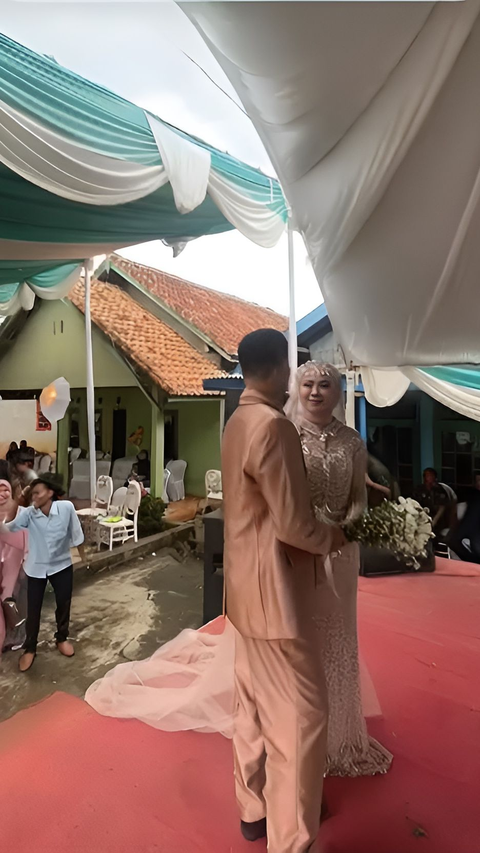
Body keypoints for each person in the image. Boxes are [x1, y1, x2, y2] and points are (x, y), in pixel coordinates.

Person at [284, 362, 392, 779]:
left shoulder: (352, 441)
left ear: (337, 391)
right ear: (297, 388)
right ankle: (299, 734)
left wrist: (348, 528)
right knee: (302, 640)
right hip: (299, 551)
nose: (315, 392)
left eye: (324, 385)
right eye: (307, 384)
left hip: (343, 552)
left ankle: (341, 736)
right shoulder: (287, 435)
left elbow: (359, 495)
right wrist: (310, 534)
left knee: (339, 637)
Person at [0, 474, 85, 672]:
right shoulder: (28, 514)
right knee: (33, 610)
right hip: (35, 567)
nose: (34, 497)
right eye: (32, 495)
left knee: (63, 604)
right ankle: (30, 649)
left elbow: (76, 532)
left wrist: (83, 557)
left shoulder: (66, 509)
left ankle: (61, 638)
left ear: (50, 492)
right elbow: (9, 527)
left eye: (37, 493)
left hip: (62, 565)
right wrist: (19, 500)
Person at [0, 477, 28, 655]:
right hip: (2, 560)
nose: (2, 494)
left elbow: (27, 539)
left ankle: (18, 636)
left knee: (9, 600)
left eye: (5, 490)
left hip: (16, 561)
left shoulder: (22, 513)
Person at [414, 468, 456, 538]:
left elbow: (441, 509)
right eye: (425, 475)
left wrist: (432, 523)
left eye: (429, 475)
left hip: (437, 522)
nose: (427, 478)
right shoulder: (419, 489)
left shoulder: (440, 490)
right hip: (421, 519)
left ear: (434, 477)